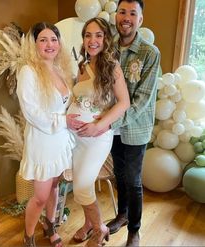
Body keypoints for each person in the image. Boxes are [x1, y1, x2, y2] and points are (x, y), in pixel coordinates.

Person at [16, 22, 84, 247]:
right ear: (34, 44)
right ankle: (28, 235)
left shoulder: (61, 69)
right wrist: (63, 121)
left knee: (55, 186)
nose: (49, 44)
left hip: (61, 139)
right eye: (43, 40)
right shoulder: (28, 72)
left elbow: (67, 103)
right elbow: (32, 113)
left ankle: (50, 224)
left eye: (53, 39)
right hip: (43, 140)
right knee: (40, 196)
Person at [67, 17, 130, 247]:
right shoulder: (82, 65)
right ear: (83, 39)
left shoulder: (111, 66)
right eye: (88, 35)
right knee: (79, 185)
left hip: (96, 138)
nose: (92, 40)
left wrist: (99, 125)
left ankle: (99, 229)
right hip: (76, 138)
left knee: (83, 185)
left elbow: (124, 103)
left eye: (98, 35)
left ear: (105, 39)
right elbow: (78, 98)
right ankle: (86, 225)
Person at [105, 0, 161, 246]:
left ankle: (134, 231)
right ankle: (122, 215)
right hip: (112, 128)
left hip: (135, 128)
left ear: (140, 20)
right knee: (119, 173)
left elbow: (142, 99)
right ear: (116, 16)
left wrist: (111, 120)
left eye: (132, 13)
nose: (126, 17)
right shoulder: (109, 49)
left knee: (133, 179)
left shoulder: (150, 53)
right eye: (122, 12)